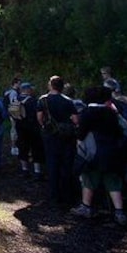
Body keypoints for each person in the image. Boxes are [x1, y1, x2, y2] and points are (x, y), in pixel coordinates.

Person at [71, 86, 127, 225]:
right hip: (112, 152)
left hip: (93, 153)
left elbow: (81, 134)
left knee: (89, 180)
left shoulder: (88, 113)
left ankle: (86, 207)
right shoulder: (111, 113)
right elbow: (119, 132)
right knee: (113, 182)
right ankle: (119, 212)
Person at [37, 75, 79, 205]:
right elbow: (76, 120)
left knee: (52, 163)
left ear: (50, 85)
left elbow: (39, 117)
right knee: (66, 164)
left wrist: (45, 126)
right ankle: (66, 194)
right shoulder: (68, 101)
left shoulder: (43, 100)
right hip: (66, 136)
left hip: (50, 135)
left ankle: (54, 195)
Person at [15, 81, 44, 179]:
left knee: (23, 149)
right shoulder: (34, 101)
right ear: (27, 90)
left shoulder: (16, 100)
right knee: (36, 149)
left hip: (20, 128)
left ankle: (25, 170)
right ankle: (37, 171)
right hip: (33, 129)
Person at [4, 77, 22, 156]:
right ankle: (14, 147)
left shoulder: (8, 92)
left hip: (9, 113)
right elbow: (14, 104)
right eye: (19, 83)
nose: (19, 85)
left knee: (13, 130)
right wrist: (16, 115)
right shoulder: (14, 93)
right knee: (14, 130)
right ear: (15, 84)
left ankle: (14, 146)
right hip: (13, 114)